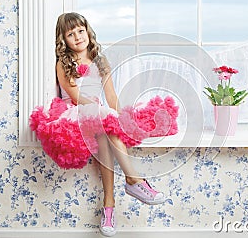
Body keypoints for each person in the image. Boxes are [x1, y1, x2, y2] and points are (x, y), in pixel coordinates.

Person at [54, 12, 166, 236]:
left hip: (98, 116)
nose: (77, 37)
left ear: (88, 31)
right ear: (63, 40)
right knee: (103, 119)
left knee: (106, 132)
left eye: (80, 31)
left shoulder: (100, 61)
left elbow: (111, 96)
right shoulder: (63, 64)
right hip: (75, 113)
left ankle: (109, 207)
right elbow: (76, 97)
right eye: (70, 34)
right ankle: (133, 179)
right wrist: (102, 112)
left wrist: (120, 118)